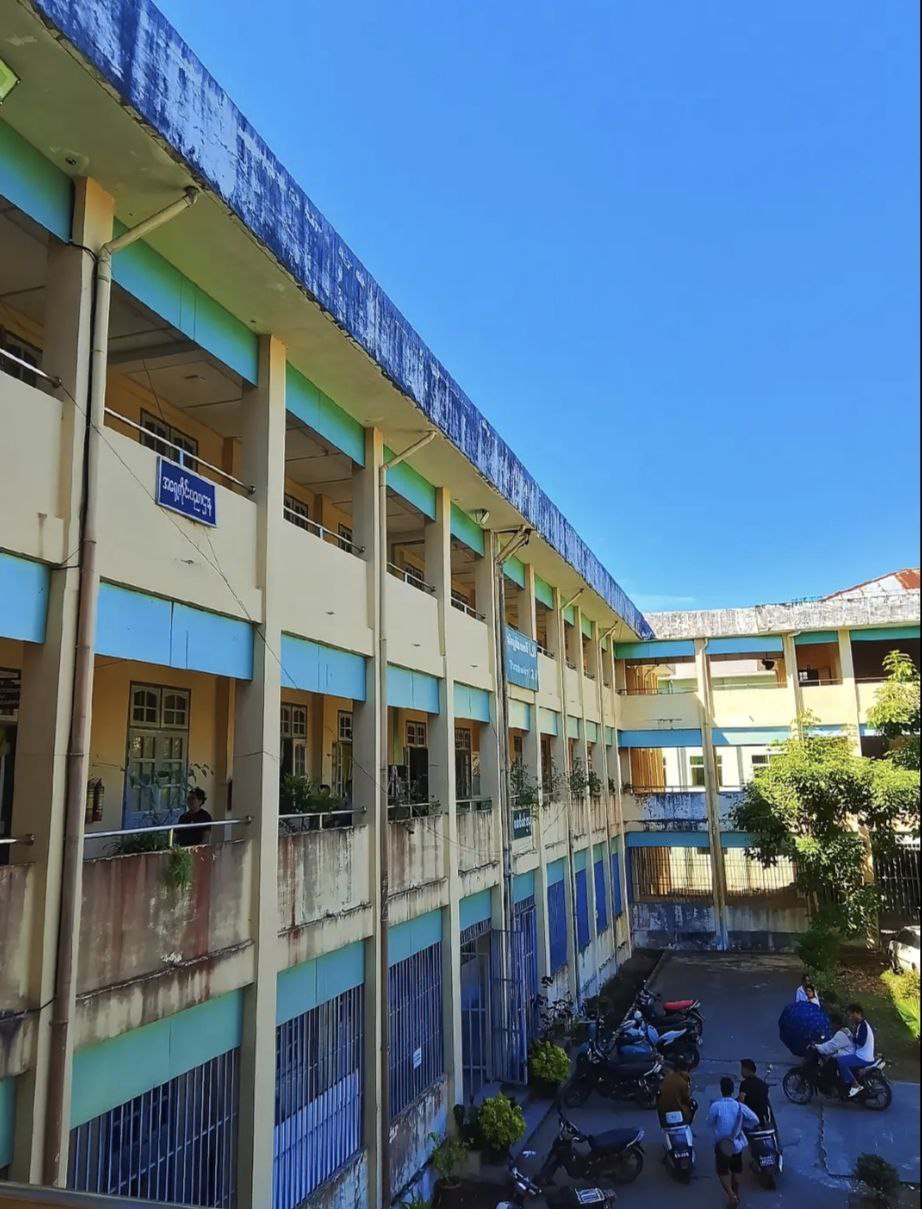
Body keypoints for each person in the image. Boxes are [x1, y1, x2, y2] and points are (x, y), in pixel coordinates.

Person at [707, 1076, 759, 1207]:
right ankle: (736, 1193)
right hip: (736, 1145)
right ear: (732, 1090)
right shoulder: (740, 1107)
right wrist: (743, 1125)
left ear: (721, 1090)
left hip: (722, 1146)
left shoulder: (716, 1106)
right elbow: (755, 1120)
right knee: (737, 1169)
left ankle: (731, 1195)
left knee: (722, 1170)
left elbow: (709, 1123)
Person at [838, 1003, 875, 1097]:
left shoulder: (863, 1026)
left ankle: (855, 1084)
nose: (851, 1017)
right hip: (862, 1054)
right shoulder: (860, 1025)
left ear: (858, 1013)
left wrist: (850, 1037)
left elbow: (861, 1042)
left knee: (840, 1061)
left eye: (852, 1014)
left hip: (863, 1057)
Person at [657, 1057, 695, 1126]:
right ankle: (687, 1122)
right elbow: (686, 1099)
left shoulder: (667, 1077)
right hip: (676, 1112)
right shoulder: (682, 1082)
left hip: (662, 1113)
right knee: (693, 1106)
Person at [738, 1059, 771, 1126]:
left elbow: (741, 1102)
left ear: (747, 1070)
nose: (741, 1072)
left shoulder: (744, 1084)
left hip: (752, 1119)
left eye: (742, 1069)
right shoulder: (762, 1083)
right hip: (763, 1118)